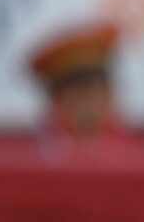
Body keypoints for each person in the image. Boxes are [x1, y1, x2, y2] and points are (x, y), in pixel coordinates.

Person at [27, 20, 127, 149]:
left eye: (94, 94)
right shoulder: (38, 148)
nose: (89, 106)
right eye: (80, 96)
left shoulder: (131, 144)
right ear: (57, 100)